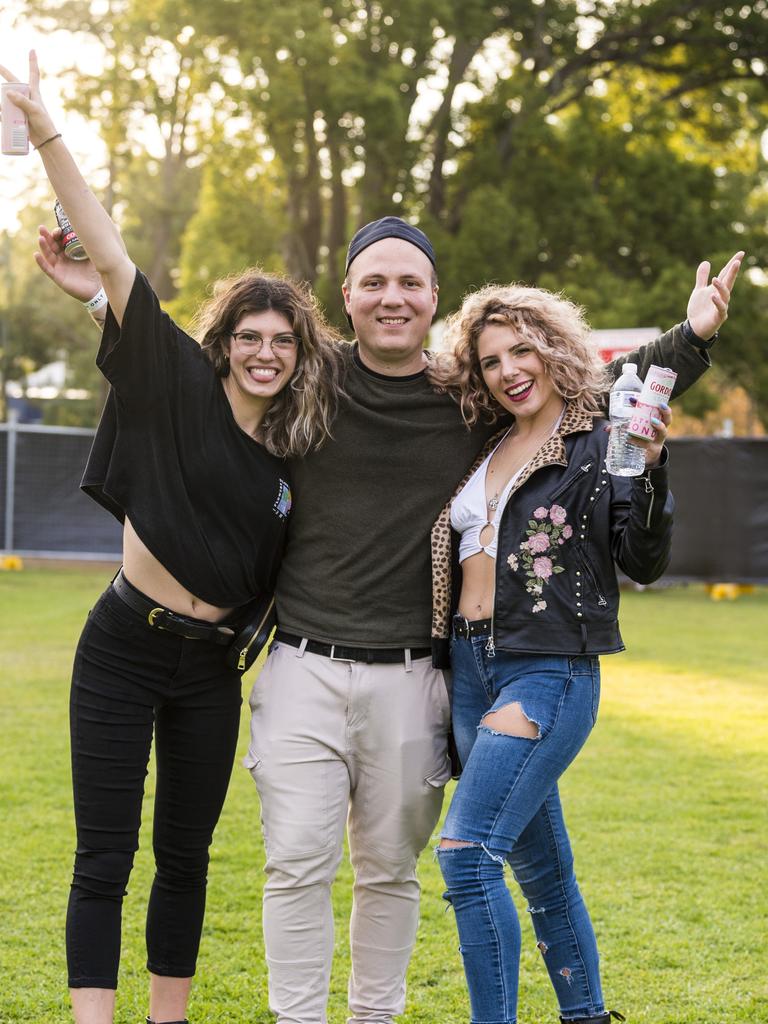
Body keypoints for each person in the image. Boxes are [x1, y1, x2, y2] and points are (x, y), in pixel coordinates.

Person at [34, 160, 743, 1023]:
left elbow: (581, 383)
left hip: (416, 676)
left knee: (390, 870)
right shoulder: (305, 376)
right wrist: (99, 302)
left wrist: (691, 337)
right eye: (375, 281)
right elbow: (189, 368)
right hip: (300, 666)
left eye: (410, 281)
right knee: (294, 862)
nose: (392, 296)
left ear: (434, 295)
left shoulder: (466, 396)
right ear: (348, 294)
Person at [2, 53, 342, 1024]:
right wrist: (48, 127)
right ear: (224, 341)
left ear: (298, 352)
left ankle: (167, 1018)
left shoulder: (299, 448)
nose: (267, 352)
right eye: (251, 336)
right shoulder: (179, 385)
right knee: (104, 853)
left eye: (284, 341)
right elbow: (109, 252)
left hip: (210, 671)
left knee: (185, 856)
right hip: (120, 648)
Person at [430, 282, 674, 1024]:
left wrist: (653, 467)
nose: (509, 370)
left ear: (556, 349)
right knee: (541, 870)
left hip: (548, 670)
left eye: (522, 350)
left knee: (468, 855)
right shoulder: (486, 445)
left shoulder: (600, 442)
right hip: (470, 671)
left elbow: (643, 557)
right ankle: (588, 1016)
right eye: (492, 359)